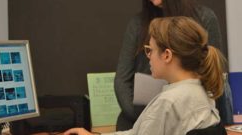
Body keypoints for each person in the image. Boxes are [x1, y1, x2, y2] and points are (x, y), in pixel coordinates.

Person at [114, 0, 233, 130]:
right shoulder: (138, 24)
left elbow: (215, 74)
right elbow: (121, 80)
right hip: (141, 119)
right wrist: (149, 118)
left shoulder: (204, 18)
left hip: (189, 119)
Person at [64, 16, 225, 135]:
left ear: (167, 55)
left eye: (150, 50)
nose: (148, 56)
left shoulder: (168, 102)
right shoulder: (204, 92)